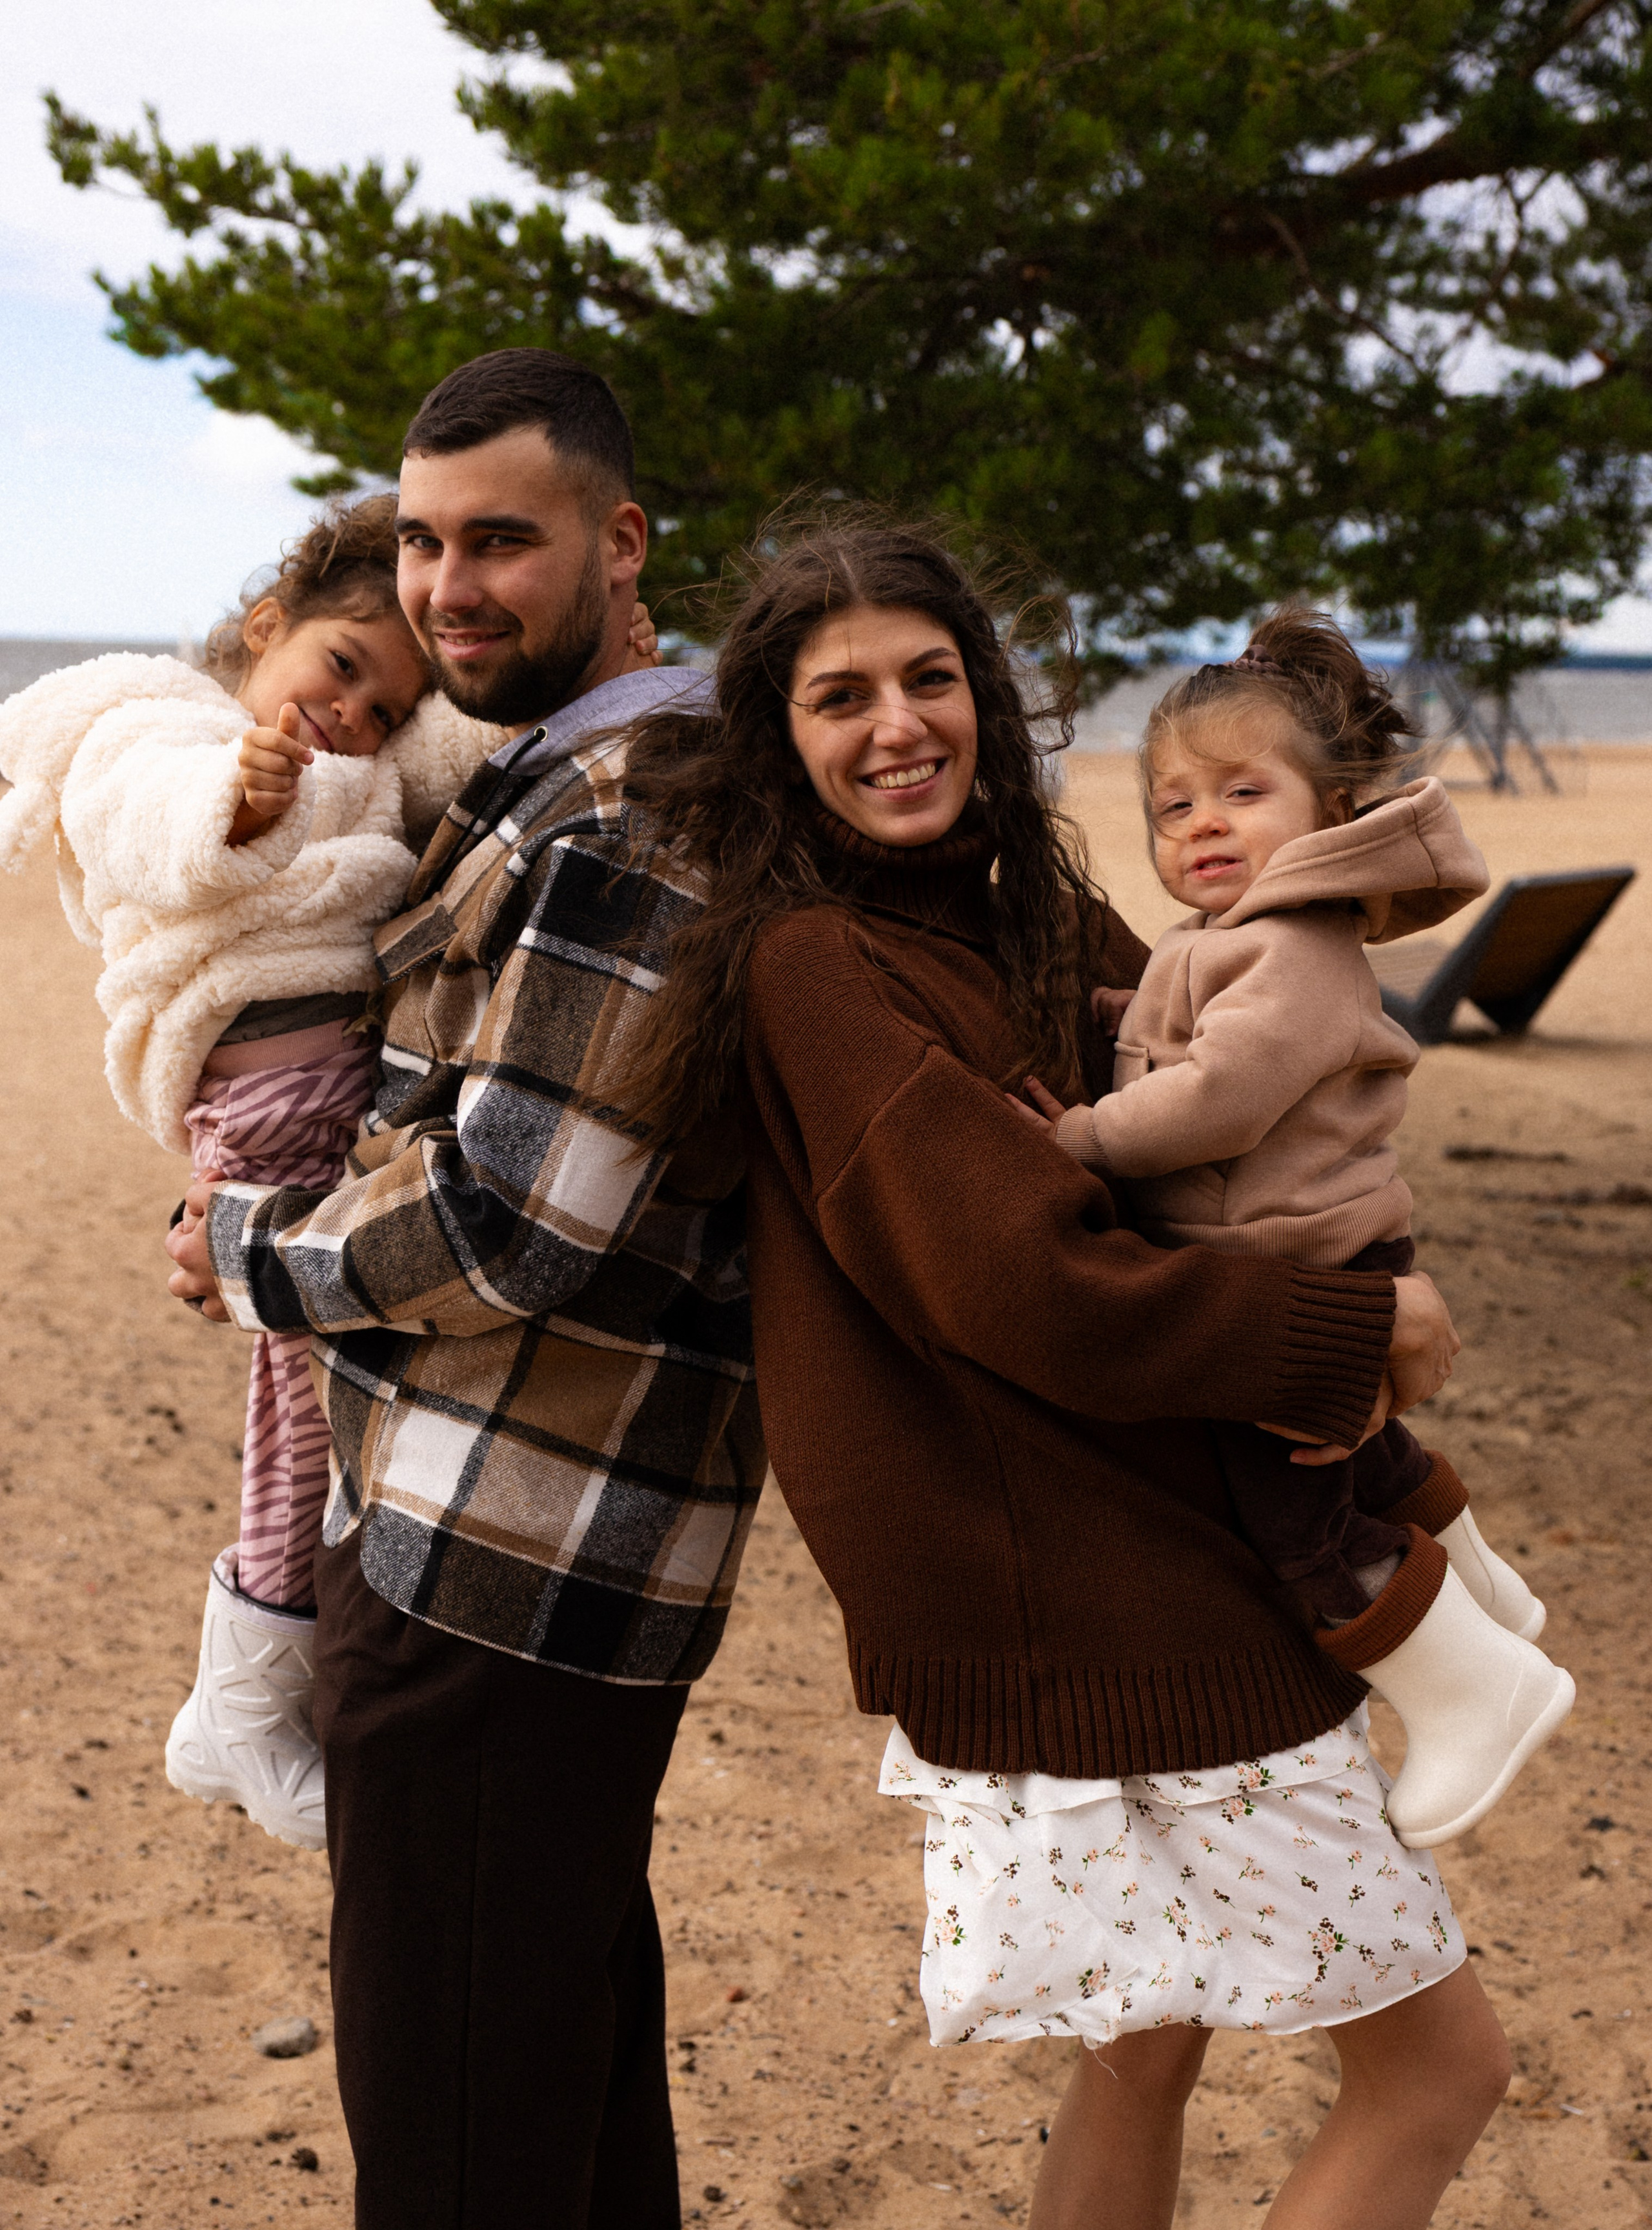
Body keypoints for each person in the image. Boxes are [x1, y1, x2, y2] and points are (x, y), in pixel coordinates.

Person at [612, 517, 1511, 2230]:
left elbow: (1246, 1093)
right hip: (1087, 1580)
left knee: (1145, 2040)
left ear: (989, 699)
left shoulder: (1019, 905)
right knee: (1440, 2071)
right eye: (840, 698)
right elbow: (1032, 1286)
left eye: (931, 678)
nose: (899, 726)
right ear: (777, 744)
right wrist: (1342, 1336)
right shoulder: (822, 966)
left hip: (1116, 1535)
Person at [164, 348, 765, 2230]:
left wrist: (251, 1254)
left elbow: (516, 1225)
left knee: (453, 2131)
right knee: (555, 2096)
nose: (446, 588)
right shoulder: (568, 772)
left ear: (621, 540)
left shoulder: (633, 803)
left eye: (503, 540)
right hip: (503, 1539)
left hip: (507, 1559)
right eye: (420, 542)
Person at [1014, 609, 1573, 1851]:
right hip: (1321, 1250)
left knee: (1294, 1512)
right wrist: (1101, 1009)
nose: (1203, 823)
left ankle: (1475, 1689)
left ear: (1329, 814)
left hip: (1295, 1266)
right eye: (1173, 806)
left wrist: (1087, 1137)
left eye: (1241, 793)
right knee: (1364, 1459)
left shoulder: (1299, 948)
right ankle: (1482, 1591)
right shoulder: (1241, 940)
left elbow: (1221, 1094)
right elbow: (1179, 1025)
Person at [0, 496, 500, 1847]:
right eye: (339, 668)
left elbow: (472, 736)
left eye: (384, 709)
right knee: (299, 1413)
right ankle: (239, 1702)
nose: (354, 718)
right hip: (269, 1099)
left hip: (325, 1094)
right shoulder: (169, 728)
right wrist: (232, 795)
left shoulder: (369, 756)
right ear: (266, 627)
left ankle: (253, 1688)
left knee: (329, 1402)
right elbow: (135, 803)